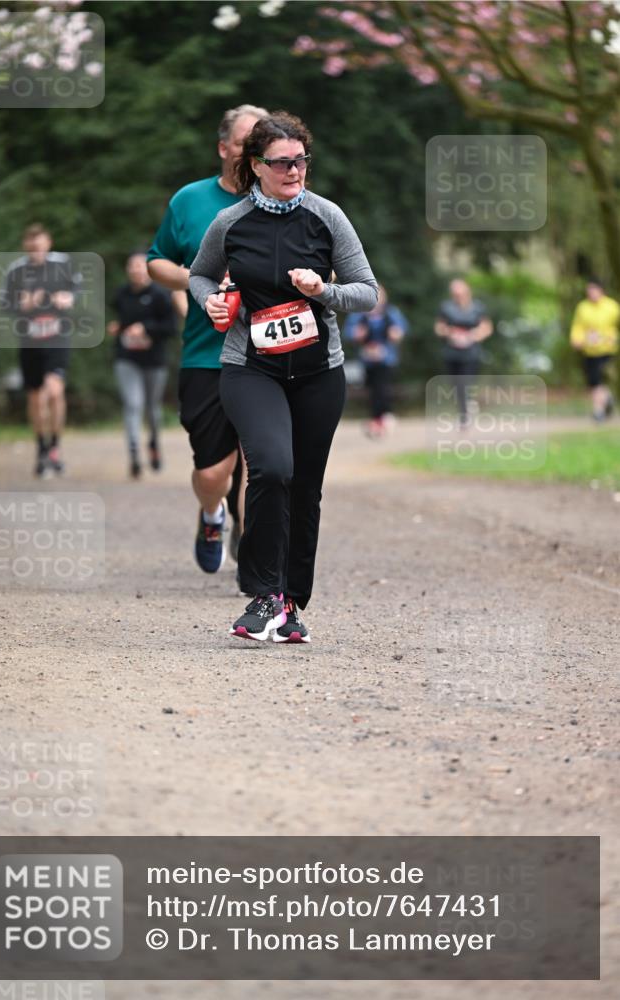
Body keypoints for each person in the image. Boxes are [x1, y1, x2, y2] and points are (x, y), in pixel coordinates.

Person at [190, 111, 378, 643]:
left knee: (305, 487)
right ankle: (263, 594)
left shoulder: (327, 217)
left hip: (319, 372)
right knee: (272, 468)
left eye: (301, 161)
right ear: (255, 165)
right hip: (251, 367)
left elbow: (367, 291)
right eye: (282, 163)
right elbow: (200, 275)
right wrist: (212, 302)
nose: (294, 171)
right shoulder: (230, 223)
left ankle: (291, 604)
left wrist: (324, 291)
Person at [147, 104, 268, 573]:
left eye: (260, 143)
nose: (252, 152)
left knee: (260, 463)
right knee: (214, 471)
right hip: (206, 354)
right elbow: (157, 262)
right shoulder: (190, 200)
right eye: (242, 143)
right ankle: (212, 512)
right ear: (223, 148)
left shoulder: (285, 200)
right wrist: (198, 279)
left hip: (267, 353)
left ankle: (253, 549)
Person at [1, 223, 77, 476]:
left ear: (48, 243)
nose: (36, 248)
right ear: (26, 245)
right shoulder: (16, 270)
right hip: (30, 341)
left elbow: (78, 290)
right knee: (36, 397)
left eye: (40, 242)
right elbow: (5, 303)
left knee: (54, 391)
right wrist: (22, 304)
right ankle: (41, 447)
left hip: (57, 338)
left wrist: (67, 298)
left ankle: (55, 446)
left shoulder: (63, 264)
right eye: (31, 244)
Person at [107, 252, 176, 478]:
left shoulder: (160, 295)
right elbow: (120, 320)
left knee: (152, 408)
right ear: (128, 270)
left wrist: (145, 329)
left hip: (154, 361)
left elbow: (171, 328)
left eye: (140, 266)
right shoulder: (121, 294)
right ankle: (134, 455)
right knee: (133, 404)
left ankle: (154, 444)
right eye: (132, 266)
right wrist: (117, 327)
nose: (136, 270)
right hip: (127, 358)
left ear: (148, 270)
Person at [344, 284, 408, 438]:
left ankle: (381, 417)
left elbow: (401, 330)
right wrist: (357, 335)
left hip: (386, 358)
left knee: (382, 387)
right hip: (367, 359)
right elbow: (348, 332)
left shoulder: (391, 313)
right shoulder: (359, 314)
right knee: (373, 389)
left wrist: (395, 334)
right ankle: (379, 417)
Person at [434, 278, 493, 429]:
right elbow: (439, 328)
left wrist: (473, 335)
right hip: (452, 353)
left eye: (460, 293)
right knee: (455, 385)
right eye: (455, 294)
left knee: (464, 383)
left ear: (467, 292)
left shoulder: (478, 308)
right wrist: (450, 333)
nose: (458, 296)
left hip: (471, 353)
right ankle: (466, 407)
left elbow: (487, 327)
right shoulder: (446, 308)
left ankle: (464, 415)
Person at [570, 278, 619, 422]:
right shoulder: (582, 307)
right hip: (590, 351)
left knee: (599, 380)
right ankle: (607, 399)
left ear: (601, 290)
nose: (591, 293)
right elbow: (578, 326)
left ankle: (598, 411)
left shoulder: (612, 306)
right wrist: (576, 339)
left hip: (608, 351)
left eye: (593, 290)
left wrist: (610, 338)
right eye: (589, 290)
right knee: (594, 382)